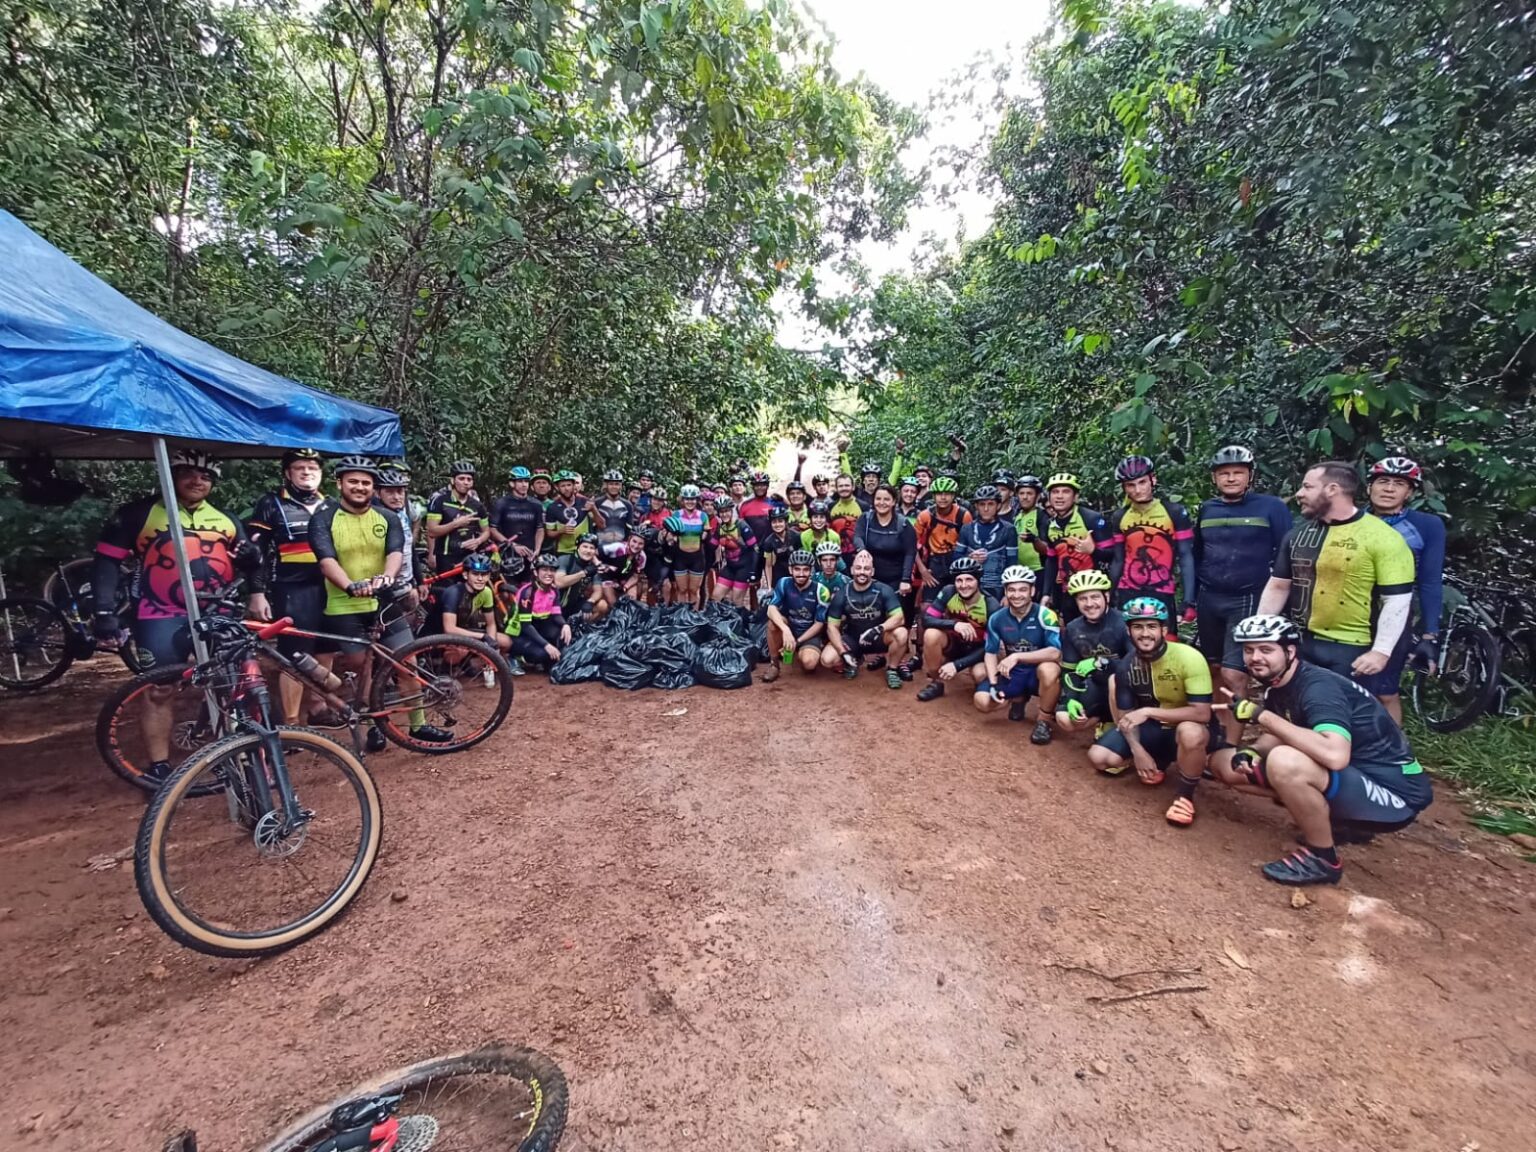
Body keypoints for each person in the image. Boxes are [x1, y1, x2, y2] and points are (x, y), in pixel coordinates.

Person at [1206, 615, 1433, 886]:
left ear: (1289, 651)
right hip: (1356, 779)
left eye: (1266, 650)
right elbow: (1279, 734)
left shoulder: (1318, 689)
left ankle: (1323, 858)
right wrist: (1253, 752)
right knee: (1225, 763)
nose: (1255, 657)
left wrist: (1260, 715)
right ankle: (1337, 822)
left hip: (1395, 796)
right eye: (1249, 650)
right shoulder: (1279, 686)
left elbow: (1335, 755)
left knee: (1285, 762)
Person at [93, 449, 253, 782]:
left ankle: (236, 751)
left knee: (229, 682)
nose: (198, 480)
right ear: (171, 474)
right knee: (159, 689)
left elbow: (252, 564)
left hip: (217, 612)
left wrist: (253, 562)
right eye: (189, 473)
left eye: (206, 476)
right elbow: (106, 561)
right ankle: (159, 765)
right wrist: (104, 610)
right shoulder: (138, 514)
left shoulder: (226, 519)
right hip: (159, 613)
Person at [310, 456, 449, 750]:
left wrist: (387, 577)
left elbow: (396, 551)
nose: (359, 487)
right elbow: (326, 560)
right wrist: (349, 586)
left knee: (407, 662)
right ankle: (375, 724)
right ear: (340, 484)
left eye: (365, 483)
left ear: (373, 488)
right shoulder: (324, 518)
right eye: (353, 481)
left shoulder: (386, 517)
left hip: (384, 602)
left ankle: (419, 724)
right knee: (364, 667)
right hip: (344, 606)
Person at [1257, 461, 1415, 684]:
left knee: (1339, 715)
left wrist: (1380, 651)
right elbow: (1279, 585)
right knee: (1296, 709)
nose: (1300, 494)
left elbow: (1397, 600)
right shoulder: (1298, 535)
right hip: (1301, 641)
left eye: (1308, 487)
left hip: (1352, 647)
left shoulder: (1384, 538)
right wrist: (1261, 633)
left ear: (1332, 489)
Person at [1191, 445, 1293, 743]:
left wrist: (1284, 603)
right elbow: (1198, 553)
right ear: (1215, 478)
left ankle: (1232, 743)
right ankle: (1213, 731)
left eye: (1238, 473)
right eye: (1225, 474)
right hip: (1210, 597)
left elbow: (1287, 555)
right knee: (1211, 667)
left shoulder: (1271, 507)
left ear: (1250, 476)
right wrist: (1193, 598)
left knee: (1236, 674)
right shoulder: (1208, 509)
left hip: (1248, 598)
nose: (1232, 479)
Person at [1086, 597, 1212, 827]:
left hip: (1185, 728)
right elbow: (1126, 717)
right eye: (1138, 627)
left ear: (1164, 629)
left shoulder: (1189, 657)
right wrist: (1137, 752)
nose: (1145, 633)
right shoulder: (1126, 666)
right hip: (1154, 730)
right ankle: (1155, 762)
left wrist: (1148, 711)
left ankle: (1185, 796)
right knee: (1100, 758)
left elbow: (1202, 714)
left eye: (1152, 626)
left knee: (1190, 732)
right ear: (1128, 631)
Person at [246, 448, 330, 725]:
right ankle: (292, 723)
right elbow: (255, 553)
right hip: (293, 588)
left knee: (325, 649)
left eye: (312, 468)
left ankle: (318, 708)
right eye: (300, 468)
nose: (307, 473)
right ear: (287, 474)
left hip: (331, 586)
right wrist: (257, 592)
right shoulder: (272, 504)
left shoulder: (331, 504)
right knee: (295, 654)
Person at [1361, 457, 1445, 722]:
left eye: (1399, 484)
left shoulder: (1427, 525)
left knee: (1385, 690)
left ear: (1409, 493)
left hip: (1395, 614)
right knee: (1348, 688)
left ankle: (1398, 756)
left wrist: (1430, 635)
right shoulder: (1350, 519)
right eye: (1383, 481)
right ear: (1369, 488)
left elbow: (1430, 580)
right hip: (1349, 612)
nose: (1389, 489)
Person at [1106, 455, 1196, 630]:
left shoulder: (1174, 512)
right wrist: (1109, 594)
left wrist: (1189, 601)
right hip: (1128, 590)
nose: (1137, 490)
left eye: (1142, 482)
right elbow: (1118, 560)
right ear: (1124, 488)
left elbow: (1186, 556)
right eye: (1130, 485)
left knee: (1167, 645)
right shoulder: (1119, 516)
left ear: (1152, 479)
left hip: (1162, 590)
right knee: (1132, 646)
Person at [974, 566, 1062, 742]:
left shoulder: (1046, 615)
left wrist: (1016, 656)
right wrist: (992, 683)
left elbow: (1055, 652)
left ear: (1032, 591)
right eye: (1011, 590)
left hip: (1037, 673)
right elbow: (990, 653)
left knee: (1049, 669)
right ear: (1005, 591)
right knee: (982, 701)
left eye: (1023, 589)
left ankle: (1043, 721)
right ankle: (1018, 698)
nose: (1016, 595)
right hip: (1013, 673)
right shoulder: (997, 618)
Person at [1054, 569, 1131, 737]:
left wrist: (1101, 662)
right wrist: (1071, 698)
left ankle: (1121, 735)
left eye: (1095, 597)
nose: (1089, 604)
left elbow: (1137, 664)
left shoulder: (1124, 623)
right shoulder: (1073, 628)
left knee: (1114, 681)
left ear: (1107, 597)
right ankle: (1104, 719)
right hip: (1095, 685)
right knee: (1064, 718)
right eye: (1083, 598)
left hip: (1126, 688)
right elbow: (1070, 670)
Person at [915, 556, 997, 702]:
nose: (963, 585)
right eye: (959, 580)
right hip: (954, 644)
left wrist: (957, 665)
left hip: (978, 650)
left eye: (969, 580)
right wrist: (954, 625)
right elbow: (926, 619)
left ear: (978, 581)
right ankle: (936, 682)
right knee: (931, 634)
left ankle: (981, 688)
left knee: (980, 674)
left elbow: (991, 646)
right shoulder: (949, 592)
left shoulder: (991, 604)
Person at [824, 550, 909, 689]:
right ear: (852, 570)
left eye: (866, 568)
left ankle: (892, 669)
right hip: (853, 639)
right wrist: (842, 652)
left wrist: (878, 629)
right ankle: (852, 661)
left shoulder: (884, 589)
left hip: (878, 637)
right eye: (858, 568)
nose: (862, 572)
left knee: (901, 633)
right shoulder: (842, 593)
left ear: (872, 571)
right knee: (827, 659)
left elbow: (899, 618)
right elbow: (831, 626)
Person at [1041, 472, 1119, 622]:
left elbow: (1114, 555)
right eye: (1055, 492)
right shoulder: (1050, 525)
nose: (1059, 496)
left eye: (1066, 491)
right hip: (1067, 592)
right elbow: (1051, 561)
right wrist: (1046, 593)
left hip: (1094, 592)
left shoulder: (1092, 519)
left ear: (1075, 497)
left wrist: (1093, 551)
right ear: (1049, 497)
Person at [762, 549, 831, 682]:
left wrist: (797, 642)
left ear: (811, 570)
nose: (801, 574)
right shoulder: (783, 583)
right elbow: (771, 609)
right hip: (790, 627)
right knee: (772, 622)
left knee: (809, 664)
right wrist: (785, 630)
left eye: (805, 570)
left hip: (810, 633)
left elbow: (819, 623)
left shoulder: (821, 590)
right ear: (790, 569)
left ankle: (800, 652)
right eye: (797, 569)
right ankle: (774, 664)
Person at [853, 483, 917, 607]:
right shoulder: (865, 519)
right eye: (878, 499)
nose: (882, 503)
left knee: (894, 617)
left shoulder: (903, 524)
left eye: (886, 499)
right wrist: (861, 549)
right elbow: (857, 536)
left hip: (895, 580)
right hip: (870, 579)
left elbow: (910, 553)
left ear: (893, 502)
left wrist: (906, 579)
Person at [504, 554, 571, 669]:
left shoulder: (554, 590)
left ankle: (540, 654)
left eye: (552, 570)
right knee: (542, 654)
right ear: (535, 572)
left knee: (562, 636)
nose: (549, 573)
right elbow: (526, 626)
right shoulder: (527, 593)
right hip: (520, 632)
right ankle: (515, 657)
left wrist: (565, 625)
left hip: (537, 627)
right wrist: (547, 645)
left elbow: (556, 615)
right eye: (544, 569)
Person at [424, 460, 491, 570]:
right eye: (461, 478)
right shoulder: (440, 501)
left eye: (469, 479)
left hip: (469, 557)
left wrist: (478, 541)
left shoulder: (477, 505)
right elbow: (432, 531)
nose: (466, 482)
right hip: (445, 558)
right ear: (453, 481)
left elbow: (486, 531)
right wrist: (455, 524)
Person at [957, 485, 1018, 600]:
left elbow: (1012, 563)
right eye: (982, 504)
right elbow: (956, 557)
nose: (986, 509)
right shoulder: (966, 528)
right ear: (976, 506)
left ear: (998, 505)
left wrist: (1008, 593)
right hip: (969, 586)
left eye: (990, 504)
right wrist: (969, 558)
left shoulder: (1008, 529)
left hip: (997, 587)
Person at [914, 477, 971, 591]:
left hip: (957, 559)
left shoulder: (963, 515)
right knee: (927, 604)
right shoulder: (925, 516)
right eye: (939, 494)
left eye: (947, 494)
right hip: (934, 560)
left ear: (953, 496)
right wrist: (923, 570)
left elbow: (970, 543)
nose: (943, 497)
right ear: (934, 496)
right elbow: (912, 545)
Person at [437, 551, 500, 648]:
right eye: (475, 574)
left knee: (506, 641)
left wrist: (491, 645)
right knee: (461, 652)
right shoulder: (453, 593)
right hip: (438, 636)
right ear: (465, 575)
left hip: (465, 630)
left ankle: (479, 663)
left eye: (484, 575)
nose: (480, 579)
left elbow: (491, 624)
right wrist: (482, 636)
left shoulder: (487, 591)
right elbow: (449, 629)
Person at [663, 483, 712, 606]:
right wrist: (670, 536)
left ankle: (693, 617)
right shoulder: (677, 514)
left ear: (697, 500)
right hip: (680, 556)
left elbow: (706, 534)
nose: (690, 501)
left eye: (692, 499)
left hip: (697, 557)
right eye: (687, 499)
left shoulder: (703, 515)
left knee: (694, 590)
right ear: (682, 500)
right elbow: (670, 534)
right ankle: (682, 617)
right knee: (682, 589)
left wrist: (705, 534)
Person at [490, 465, 547, 563]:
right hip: (508, 553)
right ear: (512, 483)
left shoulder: (536, 504)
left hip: (530, 553)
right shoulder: (501, 503)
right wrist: (512, 545)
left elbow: (540, 528)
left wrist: (537, 549)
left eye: (526, 481)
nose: (524, 485)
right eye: (520, 481)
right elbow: (492, 529)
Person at [711, 496, 758, 606]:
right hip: (730, 567)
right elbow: (711, 546)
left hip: (744, 568)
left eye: (726, 511)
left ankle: (741, 622)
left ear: (731, 511)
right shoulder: (720, 528)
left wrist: (753, 572)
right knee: (716, 596)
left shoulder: (741, 525)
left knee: (736, 600)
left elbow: (755, 549)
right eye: (721, 512)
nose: (724, 514)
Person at [544, 469, 602, 556]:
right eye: (563, 486)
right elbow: (549, 533)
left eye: (569, 485)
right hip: (563, 551)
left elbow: (601, 524)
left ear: (574, 485)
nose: (566, 488)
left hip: (584, 550)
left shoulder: (584, 502)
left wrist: (594, 509)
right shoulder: (552, 507)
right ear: (556, 487)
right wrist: (561, 531)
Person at [554, 533, 609, 621]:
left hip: (576, 603)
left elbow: (598, 591)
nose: (588, 550)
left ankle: (579, 628)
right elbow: (559, 583)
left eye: (592, 548)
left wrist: (590, 601)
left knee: (602, 605)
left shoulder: (593, 566)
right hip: (558, 606)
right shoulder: (565, 559)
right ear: (577, 547)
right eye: (585, 546)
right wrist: (584, 573)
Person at [1012, 475, 1048, 580]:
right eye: (1021, 493)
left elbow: (1047, 549)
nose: (1025, 497)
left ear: (1037, 496)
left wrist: (1034, 540)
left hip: (1038, 570)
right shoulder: (1016, 515)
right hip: (1018, 571)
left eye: (1029, 493)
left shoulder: (1042, 516)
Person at [828, 474, 865, 562]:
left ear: (853, 487)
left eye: (847, 485)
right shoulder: (831, 506)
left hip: (856, 553)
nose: (844, 488)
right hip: (835, 554)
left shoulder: (863, 506)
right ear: (836, 488)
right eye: (840, 486)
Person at [758, 506, 796, 591]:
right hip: (779, 576)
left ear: (786, 522)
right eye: (774, 522)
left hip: (796, 575)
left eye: (780, 521)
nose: (777, 524)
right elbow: (768, 566)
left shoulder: (795, 536)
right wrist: (769, 587)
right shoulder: (768, 542)